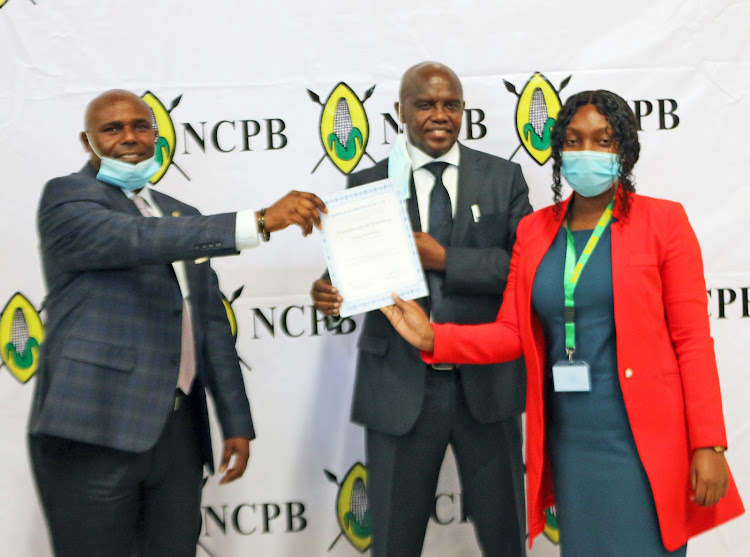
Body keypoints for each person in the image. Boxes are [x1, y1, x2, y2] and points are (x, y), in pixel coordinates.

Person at [382, 89, 745, 556]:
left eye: (603, 140)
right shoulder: (535, 232)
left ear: (625, 150)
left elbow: (693, 340)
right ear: (558, 149)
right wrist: (434, 336)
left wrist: (710, 444)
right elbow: (511, 333)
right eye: (573, 140)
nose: (586, 152)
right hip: (572, 440)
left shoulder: (664, 222)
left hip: (646, 442)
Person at [28, 89, 326, 557]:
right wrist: (261, 221)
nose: (130, 136)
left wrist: (235, 422)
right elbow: (136, 238)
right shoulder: (69, 198)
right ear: (88, 142)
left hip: (178, 435)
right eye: (113, 128)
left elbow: (209, 326)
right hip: (95, 430)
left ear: (156, 135)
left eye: (140, 126)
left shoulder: (180, 214)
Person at [311, 62, 532, 556]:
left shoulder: (503, 176)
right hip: (399, 384)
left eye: (450, 104)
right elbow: (350, 271)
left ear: (463, 111)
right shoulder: (367, 183)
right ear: (400, 112)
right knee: (394, 539)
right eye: (425, 104)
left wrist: (445, 259)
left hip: (485, 382)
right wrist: (329, 291)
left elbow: (524, 270)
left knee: (505, 536)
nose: (439, 115)